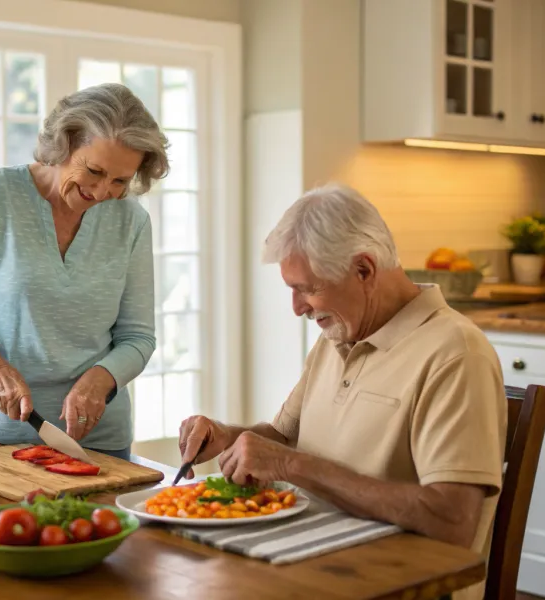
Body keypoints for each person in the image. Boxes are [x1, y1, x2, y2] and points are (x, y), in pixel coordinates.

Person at [178, 183, 506, 600]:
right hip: (309, 562)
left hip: (397, 584)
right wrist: (229, 437)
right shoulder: (338, 336)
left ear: (364, 270)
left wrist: (291, 466)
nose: (297, 308)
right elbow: (283, 438)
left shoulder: (456, 353)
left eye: (308, 288)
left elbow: (452, 521)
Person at [0, 83, 169, 460]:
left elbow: (137, 336)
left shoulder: (130, 221)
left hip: (98, 440)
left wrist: (101, 381)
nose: (102, 193)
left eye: (119, 180)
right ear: (63, 146)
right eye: (94, 171)